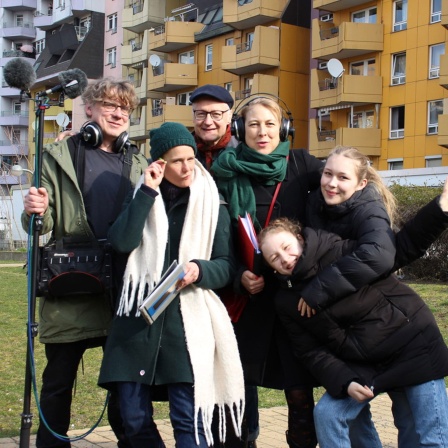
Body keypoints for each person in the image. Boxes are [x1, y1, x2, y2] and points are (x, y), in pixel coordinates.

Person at [98, 122, 245, 447]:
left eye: (190, 159)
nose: (187, 167)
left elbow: (226, 267)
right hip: (137, 325)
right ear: (159, 163)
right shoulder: (142, 196)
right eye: (177, 161)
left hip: (186, 328)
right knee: (132, 420)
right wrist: (148, 193)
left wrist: (198, 270)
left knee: (189, 422)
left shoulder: (212, 203)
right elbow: (121, 242)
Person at [258, 196, 448, 447]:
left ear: (299, 238)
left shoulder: (338, 249)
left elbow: (397, 250)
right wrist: (345, 381)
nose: (284, 258)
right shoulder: (286, 300)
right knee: (328, 414)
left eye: (286, 246)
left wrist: (440, 208)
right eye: (274, 258)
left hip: (411, 344)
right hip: (365, 364)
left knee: (429, 436)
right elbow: (310, 351)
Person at [21, 78, 148, 448]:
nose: (118, 112)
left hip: (122, 291)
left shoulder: (138, 162)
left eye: (125, 107)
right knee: (58, 383)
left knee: (125, 386)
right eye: (109, 103)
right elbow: (39, 225)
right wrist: (36, 212)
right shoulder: (58, 157)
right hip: (71, 286)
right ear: (89, 108)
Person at [211, 96, 324, 448]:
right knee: (239, 389)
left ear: (284, 128)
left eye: (270, 124)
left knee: (299, 393)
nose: (262, 132)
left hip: (294, 299)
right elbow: (217, 237)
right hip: (249, 299)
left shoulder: (302, 165)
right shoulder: (224, 171)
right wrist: (238, 275)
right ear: (240, 130)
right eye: (254, 124)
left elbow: (339, 198)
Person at [189, 84, 237, 170]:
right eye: (201, 114)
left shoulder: (244, 151)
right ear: (192, 116)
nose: (208, 122)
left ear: (229, 116)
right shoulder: (182, 151)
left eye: (216, 114)